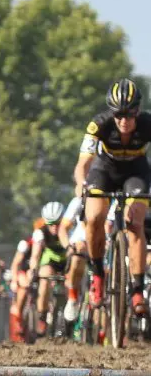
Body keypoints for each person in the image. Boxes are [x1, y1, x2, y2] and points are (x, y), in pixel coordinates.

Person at [74, 78, 151, 317]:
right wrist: (80, 184)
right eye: (118, 115)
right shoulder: (99, 124)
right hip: (104, 170)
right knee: (95, 216)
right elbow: (83, 163)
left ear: (138, 111)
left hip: (136, 173)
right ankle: (98, 273)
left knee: (135, 222)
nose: (124, 121)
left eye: (129, 114)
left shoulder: (148, 123)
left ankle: (136, 289)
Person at [28, 201, 69, 336]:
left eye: (58, 223)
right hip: (50, 260)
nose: (55, 227)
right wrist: (34, 270)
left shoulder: (70, 228)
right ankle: (42, 315)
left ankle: (72, 315)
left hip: (67, 260)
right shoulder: (40, 232)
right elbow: (35, 255)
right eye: (51, 224)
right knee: (45, 277)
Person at [59, 196, 89, 323]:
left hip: (106, 242)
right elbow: (63, 228)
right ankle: (72, 297)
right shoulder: (79, 201)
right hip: (81, 242)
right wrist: (69, 246)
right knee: (76, 258)